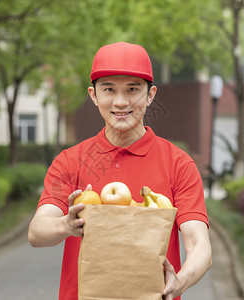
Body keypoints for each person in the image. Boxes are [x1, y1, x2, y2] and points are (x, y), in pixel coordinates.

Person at [28, 42, 212, 300]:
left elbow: (198, 243)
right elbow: (37, 232)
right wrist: (66, 224)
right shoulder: (69, 162)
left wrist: (180, 281)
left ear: (150, 95)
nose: (121, 101)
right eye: (109, 89)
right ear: (94, 95)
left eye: (133, 89)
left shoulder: (178, 164)